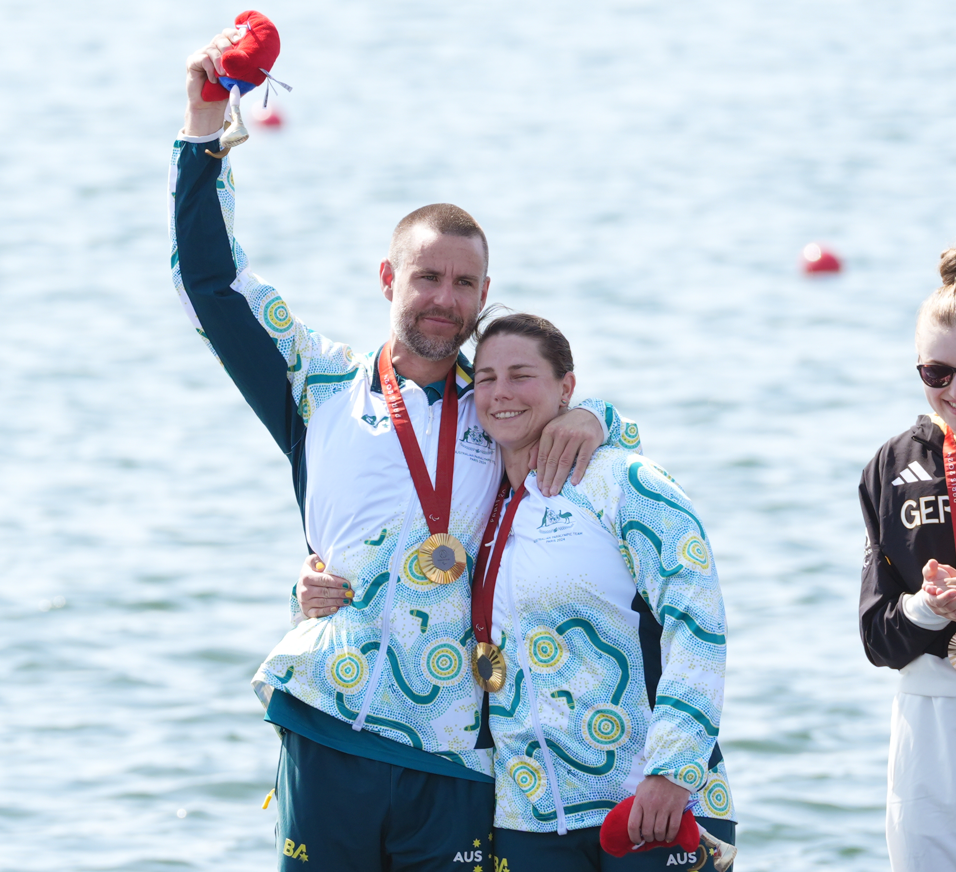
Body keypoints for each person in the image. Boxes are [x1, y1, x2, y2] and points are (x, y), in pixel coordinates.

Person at [170, 29, 642, 872]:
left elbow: (611, 455)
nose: (443, 299)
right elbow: (213, 284)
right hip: (334, 724)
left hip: (460, 752)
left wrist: (599, 416)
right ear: (388, 280)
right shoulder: (316, 382)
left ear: (485, 296)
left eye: (464, 284)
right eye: (426, 277)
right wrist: (204, 137)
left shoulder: (504, 406)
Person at [467, 312, 735, 870]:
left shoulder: (626, 483)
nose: (501, 393)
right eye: (486, 378)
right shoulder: (477, 506)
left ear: (567, 387)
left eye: (522, 374)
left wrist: (672, 770)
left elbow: (698, 625)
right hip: (528, 816)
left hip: (651, 804)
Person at [859, 247, 956, 872]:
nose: (952, 390)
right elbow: (875, 636)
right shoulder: (891, 468)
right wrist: (925, 607)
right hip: (930, 711)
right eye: (938, 372)